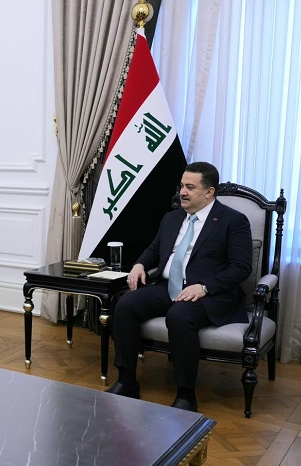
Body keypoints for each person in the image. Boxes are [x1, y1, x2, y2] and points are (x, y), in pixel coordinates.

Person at [105, 162, 252, 412]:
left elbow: (241, 267)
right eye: (182, 186)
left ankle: (186, 396)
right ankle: (127, 381)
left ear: (209, 192)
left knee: (179, 315)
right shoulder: (171, 218)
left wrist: (204, 287)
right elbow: (154, 248)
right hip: (168, 286)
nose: (182, 192)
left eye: (190, 187)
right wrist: (140, 264)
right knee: (125, 303)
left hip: (208, 293)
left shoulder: (233, 221)